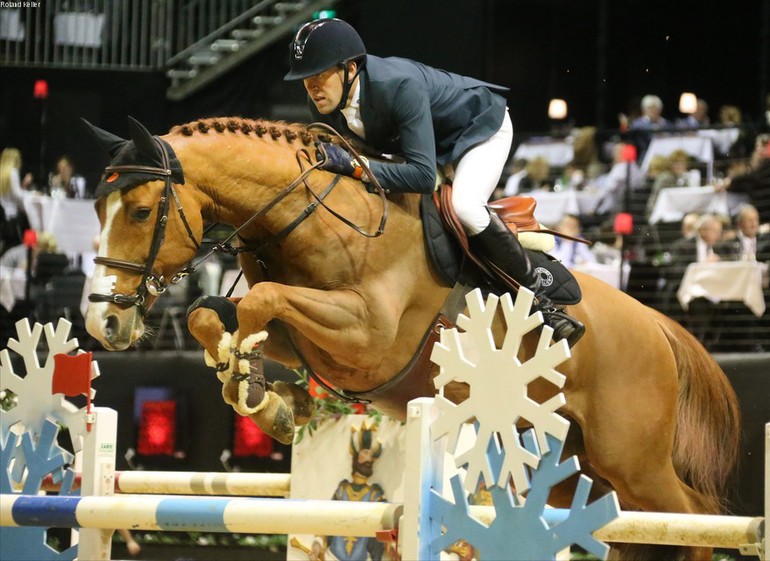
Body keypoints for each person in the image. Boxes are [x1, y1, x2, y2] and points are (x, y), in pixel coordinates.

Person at [283, 18, 583, 346]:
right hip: (429, 143)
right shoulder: (325, 102)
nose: (312, 87)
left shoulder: (398, 85)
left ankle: (541, 300)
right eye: (306, 79)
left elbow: (424, 177)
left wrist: (357, 166)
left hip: (479, 129)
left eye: (320, 75)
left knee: (464, 207)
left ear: (350, 68)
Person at [307, 425, 390, 561]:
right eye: (364, 453)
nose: (368, 460)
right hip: (333, 557)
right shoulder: (342, 490)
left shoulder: (375, 495)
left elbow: (386, 528)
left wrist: (393, 546)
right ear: (356, 456)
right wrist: (317, 545)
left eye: (370, 455)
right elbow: (326, 520)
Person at [0, 147, 33, 252]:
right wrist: (31, 194)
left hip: (3, 213)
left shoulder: (2, 173)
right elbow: (17, 194)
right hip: (12, 215)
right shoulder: (13, 172)